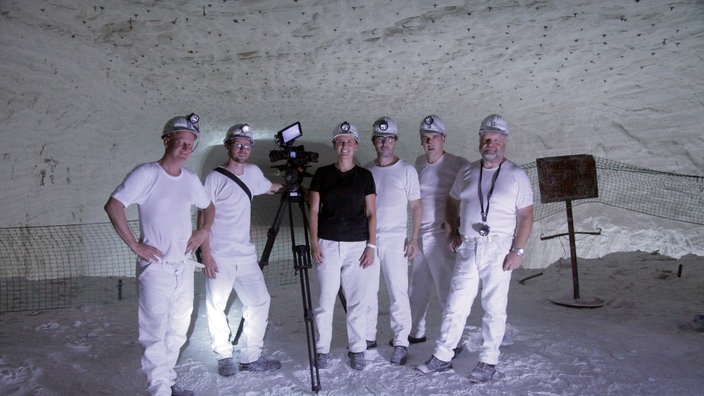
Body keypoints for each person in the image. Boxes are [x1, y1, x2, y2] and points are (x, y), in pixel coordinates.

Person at [415, 114, 533, 384]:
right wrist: (451, 230)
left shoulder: (516, 175)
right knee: (456, 303)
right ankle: (443, 355)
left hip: (499, 247)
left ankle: (488, 360)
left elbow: (526, 216)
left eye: (494, 138)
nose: (488, 143)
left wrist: (518, 251)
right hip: (469, 245)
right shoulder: (467, 170)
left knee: (493, 306)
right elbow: (452, 200)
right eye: (484, 138)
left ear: (504, 141)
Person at [104, 113, 213, 396]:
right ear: (166, 141)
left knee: (178, 331)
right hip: (156, 269)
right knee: (154, 334)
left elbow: (208, 205)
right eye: (180, 142)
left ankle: (168, 381)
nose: (186, 149)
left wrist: (204, 231)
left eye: (191, 144)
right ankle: (159, 390)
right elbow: (114, 206)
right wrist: (135, 246)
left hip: (184, 267)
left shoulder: (189, 179)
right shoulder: (147, 174)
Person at [198, 123, 283, 377]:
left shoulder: (254, 172)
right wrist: (206, 254)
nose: (243, 149)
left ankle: (251, 357)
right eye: (238, 144)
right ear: (228, 146)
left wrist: (289, 186)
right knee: (216, 304)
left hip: (245, 254)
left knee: (260, 301)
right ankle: (224, 354)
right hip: (219, 253)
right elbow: (203, 218)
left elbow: (267, 187)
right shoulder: (214, 178)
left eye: (247, 145)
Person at [309, 121, 377, 371]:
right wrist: (314, 242)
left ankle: (357, 348)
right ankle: (322, 349)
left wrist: (371, 246)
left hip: (357, 246)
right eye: (340, 141)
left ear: (356, 145)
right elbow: (314, 211)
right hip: (328, 244)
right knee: (325, 302)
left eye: (349, 141)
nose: (345, 145)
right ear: (334, 145)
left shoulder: (365, 177)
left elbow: (371, 213)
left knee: (358, 301)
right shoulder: (322, 174)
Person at [363, 116, 421, 366]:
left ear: (395, 142)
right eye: (379, 138)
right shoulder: (367, 170)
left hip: (396, 240)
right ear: (374, 141)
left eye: (388, 138)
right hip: (370, 241)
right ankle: (367, 336)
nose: (384, 143)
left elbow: (417, 206)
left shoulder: (407, 170)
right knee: (367, 292)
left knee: (398, 293)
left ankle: (400, 342)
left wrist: (414, 238)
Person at [408, 115, 469, 346]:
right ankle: (416, 331)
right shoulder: (419, 163)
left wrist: (456, 227)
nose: (430, 142)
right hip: (421, 235)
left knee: (446, 288)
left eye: (434, 137)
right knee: (417, 287)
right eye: (425, 138)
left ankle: (455, 340)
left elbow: (470, 194)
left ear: (443, 138)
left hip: (441, 236)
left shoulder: (458, 164)